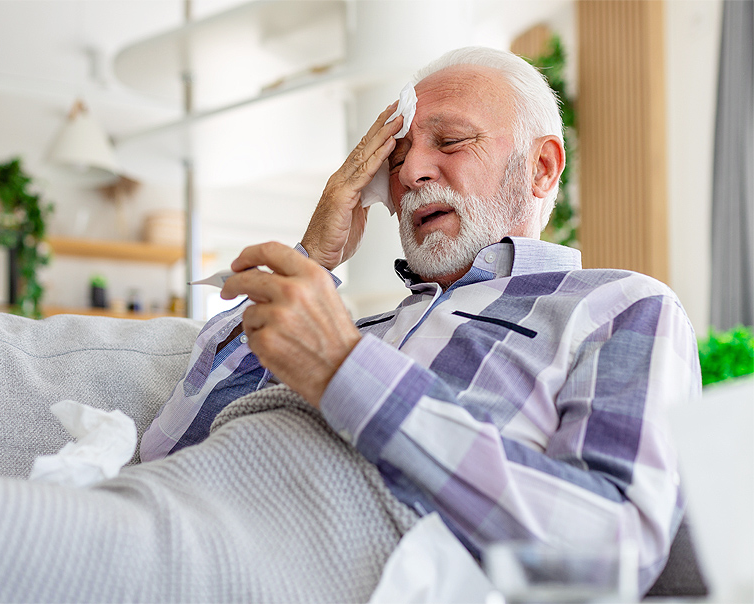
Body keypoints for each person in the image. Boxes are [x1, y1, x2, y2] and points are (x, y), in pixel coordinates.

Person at [141, 45, 701, 594]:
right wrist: (313, 256)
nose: (411, 172)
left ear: (542, 167)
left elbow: (613, 552)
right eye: (398, 155)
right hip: (181, 527)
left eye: (451, 141)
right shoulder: (359, 330)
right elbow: (166, 451)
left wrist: (348, 373)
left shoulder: (620, 305)